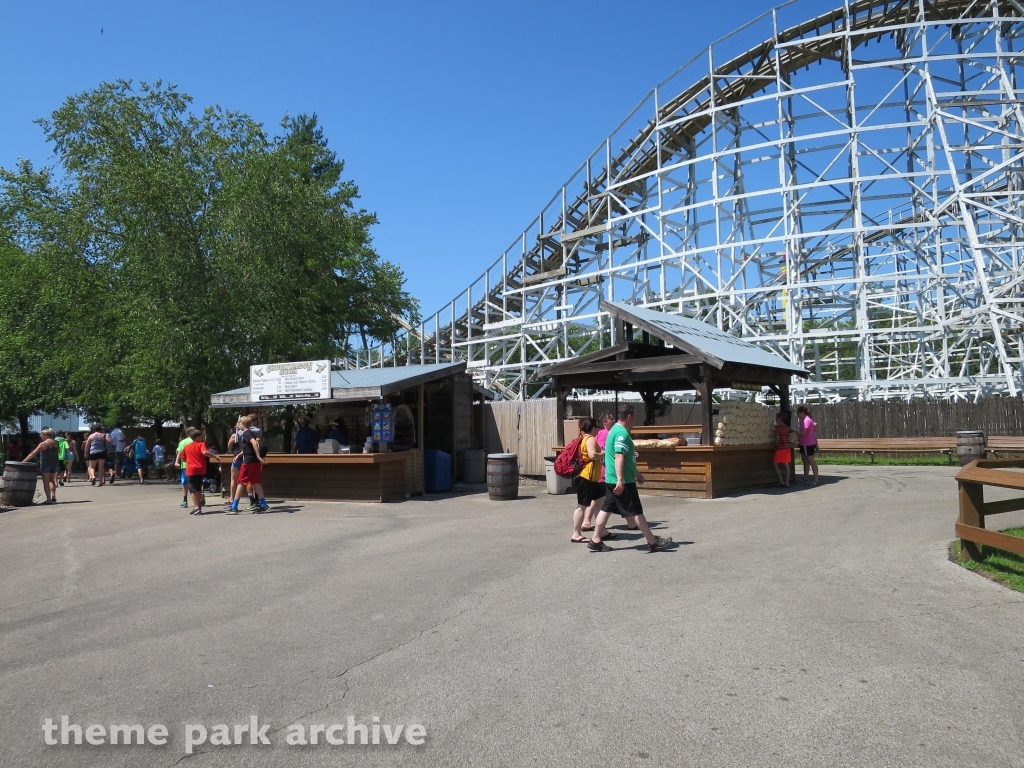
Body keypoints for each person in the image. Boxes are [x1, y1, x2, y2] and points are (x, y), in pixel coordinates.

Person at [588, 405, 671, 553]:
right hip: (622, 481)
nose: (635, 421)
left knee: (606, 508)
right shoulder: (622, 433)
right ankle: (653, 541)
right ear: (629, 417)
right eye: (635, 417)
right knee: (636, 511)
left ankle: (595, 540)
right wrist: (621, 479)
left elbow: (623, 456)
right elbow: (619, 455)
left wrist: (635, 472)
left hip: (612, 478)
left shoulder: (613, 430)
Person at [571, 418, 603, 543]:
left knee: (600, 501)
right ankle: (576, 533)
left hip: (591, 477)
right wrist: (605, 453)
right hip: (587, 477)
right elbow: (592, 455)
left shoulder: (583, 438)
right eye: (597, 428)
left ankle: (602, 530)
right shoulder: (590, 439)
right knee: (582, 506)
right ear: (593, 428)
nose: (599, 430)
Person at [228, 416, 268, 514]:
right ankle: (263, 504)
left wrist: (258, 456)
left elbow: (253, 443)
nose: (238, 425)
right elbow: (249, 448)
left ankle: (234, 506)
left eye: (240, 423)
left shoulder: (246, 433)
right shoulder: (251, 433)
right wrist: (239, 455)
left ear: (244, 425)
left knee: (241, 482)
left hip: (248, 462)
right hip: (255, 462)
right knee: (256, 482)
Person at [180, 428, 219, 515]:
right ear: (198, 437)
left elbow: (183, 458)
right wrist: (215, 456)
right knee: (198, 487)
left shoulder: (187, 447)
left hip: (191, 469)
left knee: (193, 489)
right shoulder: (201, 444)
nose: (202, 438)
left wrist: (190, 461)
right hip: (201, 469)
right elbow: (204, 452)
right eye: (201, 436)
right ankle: (198, 506)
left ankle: (196, 507)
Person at [24, 428, 61, 504]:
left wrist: (23, 461)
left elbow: (33, 453)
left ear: (45, 435)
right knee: (52, 480)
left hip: (46, 464)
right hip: (55, 463)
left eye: (42, 436)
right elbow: (58, 452)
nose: (41, 437)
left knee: (46, 482)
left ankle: (48, 499)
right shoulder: (56, 443)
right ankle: (53, 496)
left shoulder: (43, 444)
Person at [796, 405, 820, 486]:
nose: (798, 415)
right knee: (805, 461)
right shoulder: (805, 420)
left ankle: (816, 480)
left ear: (802, 412)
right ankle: (805, 478)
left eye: (798, 413)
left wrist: (793, 430)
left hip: (808, 444)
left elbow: (803, 433)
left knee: (811, 461)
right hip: (803, 444)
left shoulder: (807, 420)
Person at [773, 411, 794, 488]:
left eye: (776, 418)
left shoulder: (778, 428)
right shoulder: (786, 427)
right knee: (786, 464)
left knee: (775, 464)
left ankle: (781, 480)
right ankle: (787, 482)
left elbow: (777, 439)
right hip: (787, 448)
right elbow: (789, 437)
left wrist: (775, 445)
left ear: (779, 418)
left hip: (780, 448)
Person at [174, 430, 194, 507]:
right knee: (196, 482)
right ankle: (199, 498)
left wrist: (176, 461)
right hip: (194, 464)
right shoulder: (197, 441)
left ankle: (185, 500)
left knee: (185, 483)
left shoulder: (183, 442)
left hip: (186, 465)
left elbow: (179, 452)